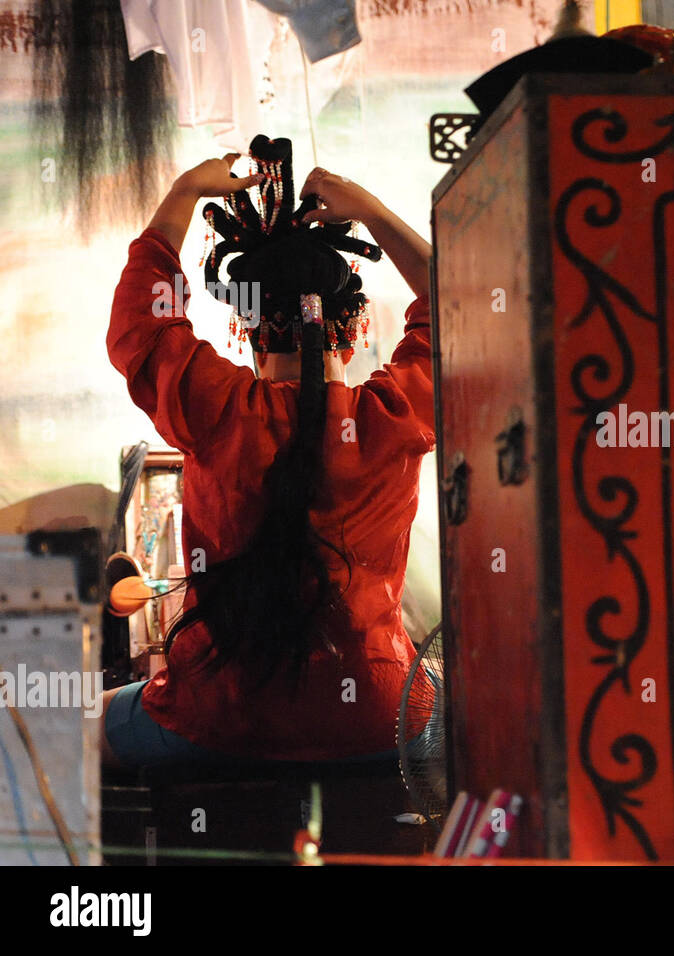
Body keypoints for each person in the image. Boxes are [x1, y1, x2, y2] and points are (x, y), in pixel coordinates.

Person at [101, 136, 435, 767]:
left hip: (222, 713)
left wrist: (186, 191)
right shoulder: (394, 417)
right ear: (353, 321)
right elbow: (461, 308)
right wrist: (370, 210)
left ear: (246, 323)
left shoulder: (214, 406)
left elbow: (140, 321)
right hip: (379, 715)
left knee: (46, 732)